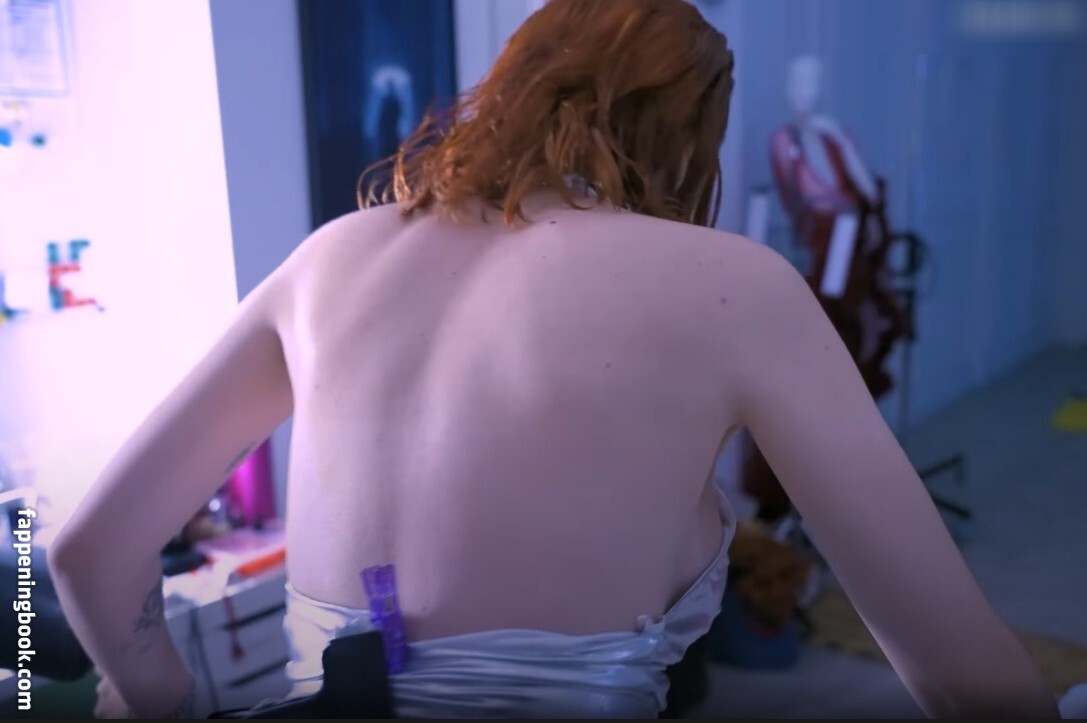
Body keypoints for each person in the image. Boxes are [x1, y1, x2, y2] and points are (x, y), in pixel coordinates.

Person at [49, 0, 1060, 718]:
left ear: (512, 85)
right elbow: (962, 675)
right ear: (690, 135)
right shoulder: (734, 287)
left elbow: (87, 552)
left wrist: (153, 698)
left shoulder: (328, 258)